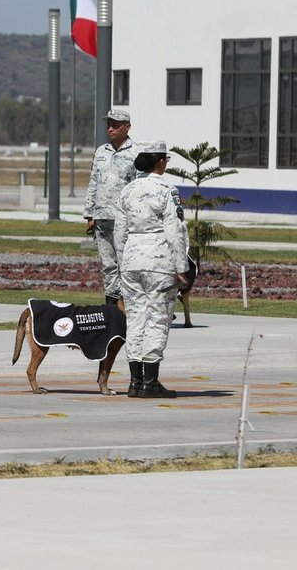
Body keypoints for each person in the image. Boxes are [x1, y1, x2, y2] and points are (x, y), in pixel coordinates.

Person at [114, 140, 189, 399]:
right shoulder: (168, 190)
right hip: (159, 261)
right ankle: (152, 380)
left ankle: (135, 381)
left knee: (134, 318)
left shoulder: (127, 191)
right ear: (160, 162)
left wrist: (123, 262)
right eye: (165, 159)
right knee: (157, 319)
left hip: (131, 260)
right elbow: (175, 230)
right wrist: (182, 267)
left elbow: (119, 232)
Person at [84, 108, 139, 305]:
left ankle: (129, 305)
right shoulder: (101, 152)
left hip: (124, 220)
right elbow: (94, 182)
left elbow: (138, 187)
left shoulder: (136, 153)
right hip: (102, 217)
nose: (110, 128)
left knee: (126, 264)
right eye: (109, 124)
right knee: (108, 265)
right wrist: (89, 214)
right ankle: (111, 307)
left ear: (127, 127)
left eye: (115, 125)